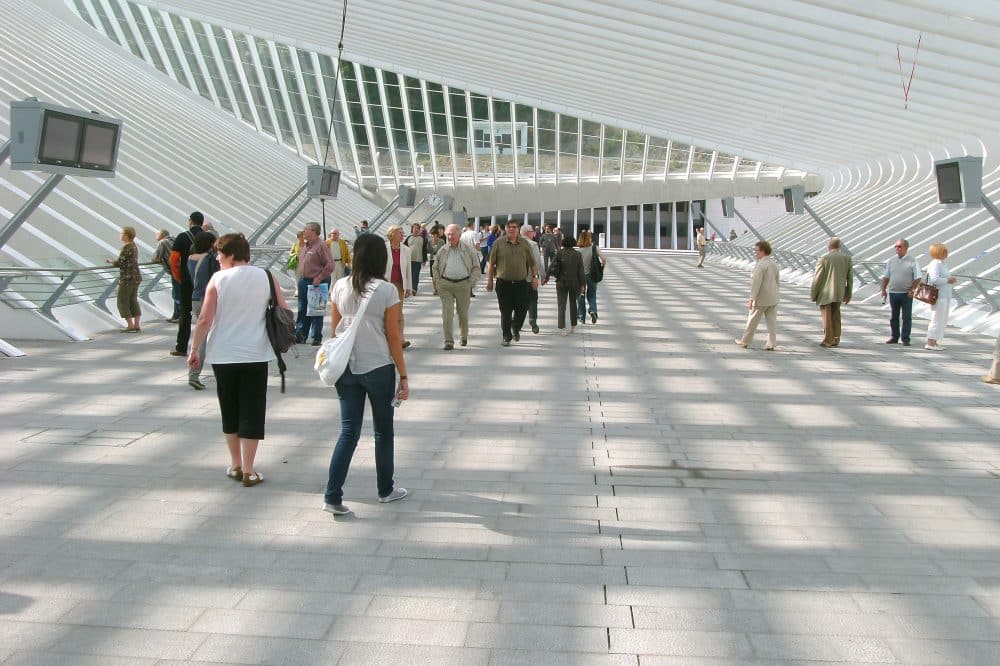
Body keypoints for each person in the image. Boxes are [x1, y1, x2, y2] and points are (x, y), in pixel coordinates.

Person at [187, 233, 287, 487]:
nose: (218, 259)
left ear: (231, 254)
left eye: (220, 254)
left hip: (224, 354)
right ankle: (250, 470)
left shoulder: (218, 279)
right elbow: (284, 310)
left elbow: (204, 319)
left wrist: (194, 348)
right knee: (252, 409)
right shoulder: (266, 276)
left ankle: (235, 464)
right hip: (256, 353)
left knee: (229, 408)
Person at [323, 234, 409, 516]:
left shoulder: (339, 286)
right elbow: (393, 336)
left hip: (347, 369)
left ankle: (332, 495)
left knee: (348, 431)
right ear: (380, 258)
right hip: (378, 368)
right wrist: (404, 374)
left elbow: (336, 331)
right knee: (384, 432)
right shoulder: (386, 291)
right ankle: (385, 490)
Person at [486, 219, 538, 347]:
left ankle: (516, 327)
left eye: (514, 227)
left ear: (518, 229)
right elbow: (491, 264)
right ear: (505, 229)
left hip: (521, 284)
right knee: (506, 312)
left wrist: (535, 277)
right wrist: (490, 281)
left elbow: (532, 263)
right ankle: (506, 336)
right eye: (509, 227)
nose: (511, 229)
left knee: (522, 309)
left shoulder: (525, 243)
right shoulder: (498, 243)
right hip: (504, 284)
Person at [432, 223, 481, 350]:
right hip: (446, 285)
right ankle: (448, 340)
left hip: (463, 285)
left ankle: (463, 336)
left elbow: (476, 267)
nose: (449, 237)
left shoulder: (468, 249)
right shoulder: (442, 250)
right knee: (447, 313)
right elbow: (435, 267)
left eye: (452, 234)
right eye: (448, 234)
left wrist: (471, 282)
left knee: (462, 313)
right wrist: (438, 282)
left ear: (459, 235)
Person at [169, 212, 205, 356]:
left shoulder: (182, 237)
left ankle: (182, 347)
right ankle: (207, 346)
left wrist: (179, 277)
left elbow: (173, 259)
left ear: (190, 221)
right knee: (207, 313)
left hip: (187, 281)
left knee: (185, 313)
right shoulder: (210, 238)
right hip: (206, 282)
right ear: (202, 223)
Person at [187, 230, 219, 390]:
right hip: (208, 299)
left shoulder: (190, 258)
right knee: (207, 337)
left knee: (202, 332)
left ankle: (196, 372)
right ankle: (194, 373)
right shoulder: (209, 259)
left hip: (195, 299)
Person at [735, 240, 780, 350]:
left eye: (757, 251)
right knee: (771, 323)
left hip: (761, 298)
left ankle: (745, 341)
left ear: (763, 251)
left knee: (752, 320)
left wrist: (752, 299)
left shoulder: (760, 266)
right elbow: (777, 281)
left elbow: (756, 284)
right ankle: (771, 343)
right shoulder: (774, 264)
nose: (755, 253)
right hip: (773, 298)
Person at [295, 222, 335, 346]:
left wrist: (320, 277)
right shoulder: (306, 246)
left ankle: (316, 337)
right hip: (304, 281)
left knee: (316, 310)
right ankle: (301, 335)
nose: (303, 232)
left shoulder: (321, 246)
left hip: (316, 282)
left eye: (305, 230)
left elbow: (330, 265)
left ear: (313, 231)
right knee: (303, 309)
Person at [810, 236, 853, 348]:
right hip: (839, 292)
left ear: (829, 246)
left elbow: (817, 277)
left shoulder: (824, 258)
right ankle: (836, 339)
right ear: (839, 246)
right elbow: (850, 278)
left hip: (826, 292)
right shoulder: (847, 259)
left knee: (826, 317)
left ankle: (827, 340)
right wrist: (848, 293)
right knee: (836, 315)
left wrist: (813, 294)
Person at [880, 238, 921, 346]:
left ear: (906, 248)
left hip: (906, 293)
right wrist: (883, 289)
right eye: (896, 246)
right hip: (893, 292)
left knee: (906, 317)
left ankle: (905, 338)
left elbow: (918, 277)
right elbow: (886, 276)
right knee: (894, 316)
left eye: (899, 246)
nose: (897, 248)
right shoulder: (891, 261)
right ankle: (894, 336)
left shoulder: (913, 261)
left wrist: (912, 289)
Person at [106, 226, 142, 333]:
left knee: (122, 301)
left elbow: (120, 262)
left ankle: (130, 325)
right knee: (133, 300)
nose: (120, 235)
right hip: (136, 277)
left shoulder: (126, 247)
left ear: (127, 235)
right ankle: (136, 324)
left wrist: (110, 261)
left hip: (127, 278)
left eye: (122, 233)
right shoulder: (134, 246)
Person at [924, 242, 957, 351]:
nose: (946, 253)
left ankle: (935, 341)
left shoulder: (942, 263)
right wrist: (948, 280)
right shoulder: (936, 263)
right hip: (939, 296)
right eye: (944, 251)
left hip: (944, 295)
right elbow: (934, 279)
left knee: (942, 319)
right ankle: (930, 342)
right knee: (937, 318)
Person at [550, 235, 586, 336]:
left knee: (561, 305)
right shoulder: (577, 254)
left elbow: (552, 265)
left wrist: (546, 277)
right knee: (573, 304)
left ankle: (562, 328)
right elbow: (581, 271)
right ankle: (573, 326)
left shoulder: (559, 253)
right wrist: (583, 285)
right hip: (574, 283)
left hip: (561, 282)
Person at [384, 225, 413, 348]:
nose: (402, 235)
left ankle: (400, 339)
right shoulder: (383, 248)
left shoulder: (406, 249)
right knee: (386, 312)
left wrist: (409, 288)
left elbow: (408, 270)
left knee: (399, 313)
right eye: (400, 233)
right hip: (386, 285)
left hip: (399, 285)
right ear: (392, 234)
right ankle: (387, 338)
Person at [576, 230, 606, 325]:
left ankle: (581, 317)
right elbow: (604, 259)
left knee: (581, 296)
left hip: (580, 277)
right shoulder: (594, 248)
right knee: (592, 295)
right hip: (592, 276)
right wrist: (601, 268)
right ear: (589, 238)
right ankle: (593, 310)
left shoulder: (578, 251)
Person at [520, 223, 545, 334]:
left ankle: (517, 323)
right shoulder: (533, 244)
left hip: (516, 277)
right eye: (532, 231)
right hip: (530, 277)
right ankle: (532, 319)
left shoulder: (515, 243)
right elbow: (538, 262)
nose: (533, 233)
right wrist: (543, 275)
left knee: (517, 301)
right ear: (527, 233)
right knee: (532, 299)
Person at [152, 229, 178, 321]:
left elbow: (155, 258)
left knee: (176, 293)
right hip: (182, 269)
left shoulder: (162, 242)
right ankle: (178, 315)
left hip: (174, 271)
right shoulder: (174, 239)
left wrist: (159, 260)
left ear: (162, 235)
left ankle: (177, 316)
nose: (155, 236)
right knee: (179, 292)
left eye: (157, 234)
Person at [404, 222, 428, 294]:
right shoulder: (408, 238)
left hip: (418, 260)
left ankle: (414, 289)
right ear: (412, 229)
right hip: (409, 260)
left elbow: (424, 250)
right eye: (415, 228)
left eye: (418, 228)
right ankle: (409, 289)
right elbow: (404, 248)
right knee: (409, 275)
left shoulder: (422, 239)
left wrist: (424, 260)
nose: (416, 230)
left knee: (415, 275)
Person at [427, 227, 445, 295]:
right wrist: (432, 249)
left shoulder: (442, 241)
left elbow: (444, 250)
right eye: (432, 235)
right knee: (433, 275)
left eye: (434, 234)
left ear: (437, 235)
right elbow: (428, 250)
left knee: (440, 274)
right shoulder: (430, 241)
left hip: (440, 259)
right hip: (432, 259)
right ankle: (435, 289)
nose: (433, 236)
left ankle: (439, 288)